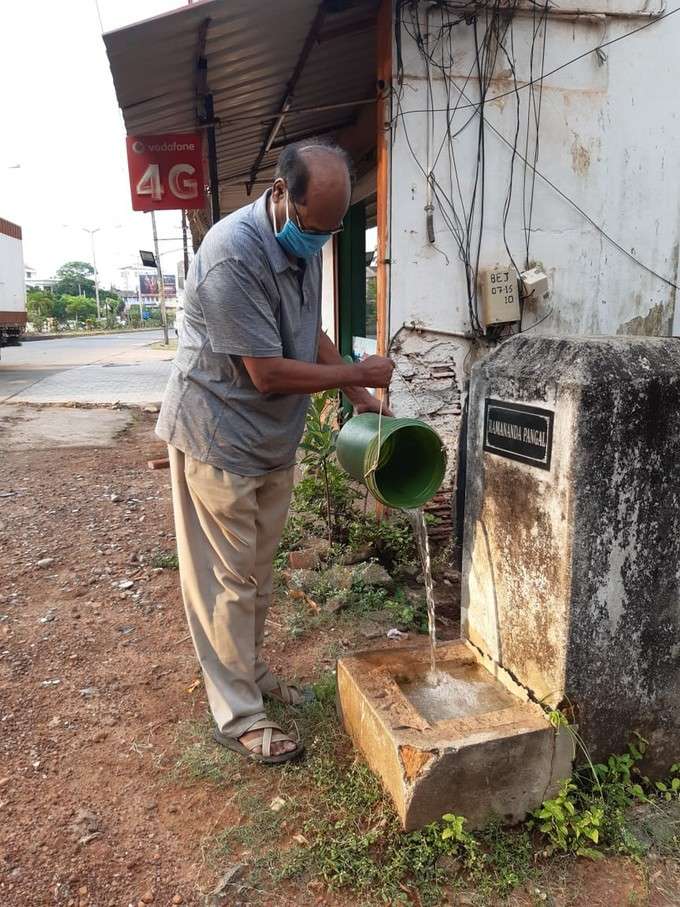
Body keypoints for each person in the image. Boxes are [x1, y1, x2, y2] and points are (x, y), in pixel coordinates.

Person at [156, 138, 394, 764]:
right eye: (315, 227)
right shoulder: (231, 256)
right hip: (218, 435)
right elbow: (265, 371)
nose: (320, 241)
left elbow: (304, 332)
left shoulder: (305, 239)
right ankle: (238, 714)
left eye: (332, 230)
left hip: (269, 443)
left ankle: (250, 673)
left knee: (257, 576)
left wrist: (363, 395)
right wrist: (356, 374)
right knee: (227, 582)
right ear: (284, 195)